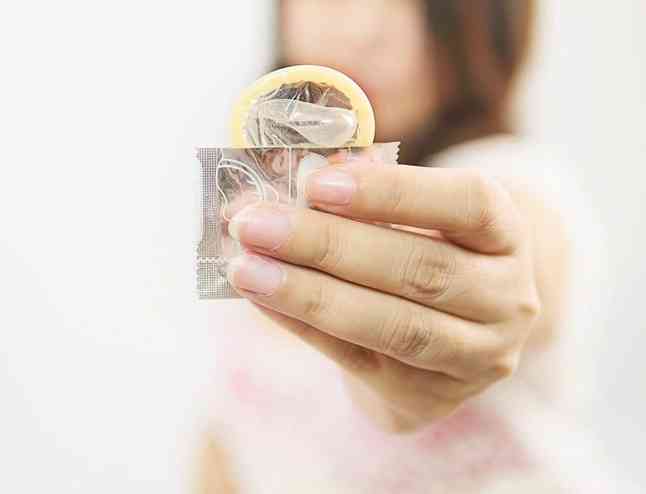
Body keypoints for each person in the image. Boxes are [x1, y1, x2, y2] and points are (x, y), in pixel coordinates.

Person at [193, 1, 607, 492]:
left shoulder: (508, 175)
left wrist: (471, 299)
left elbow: (524, 254)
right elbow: (232, 426)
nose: (364, 29)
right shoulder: (254, 192)